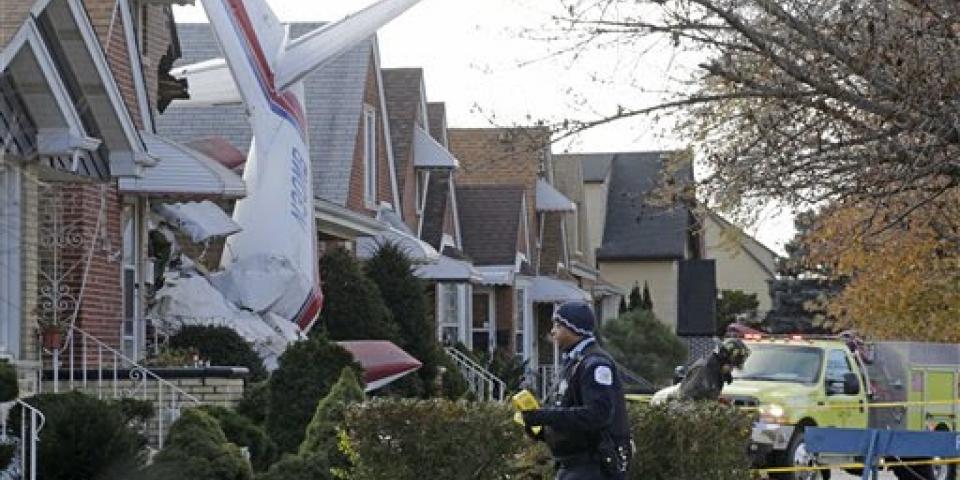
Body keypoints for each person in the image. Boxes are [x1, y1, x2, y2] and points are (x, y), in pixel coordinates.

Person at [521, 301, 632, 480]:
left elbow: (598, 414)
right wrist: (541, 428)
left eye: (558, 325)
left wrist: (546, 416)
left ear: (574, 328)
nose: (552, 331)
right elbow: (570, 412)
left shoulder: (595, 364)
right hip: (573, 465)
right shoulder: (574, 362)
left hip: (592, 465)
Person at [678, 338, 751, 401]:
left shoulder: (715, 372)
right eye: (732, 366)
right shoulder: (703, 370)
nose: (731, 370)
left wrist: (718, 401)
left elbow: (707, 395)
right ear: (724, 360)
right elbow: (687, 397)